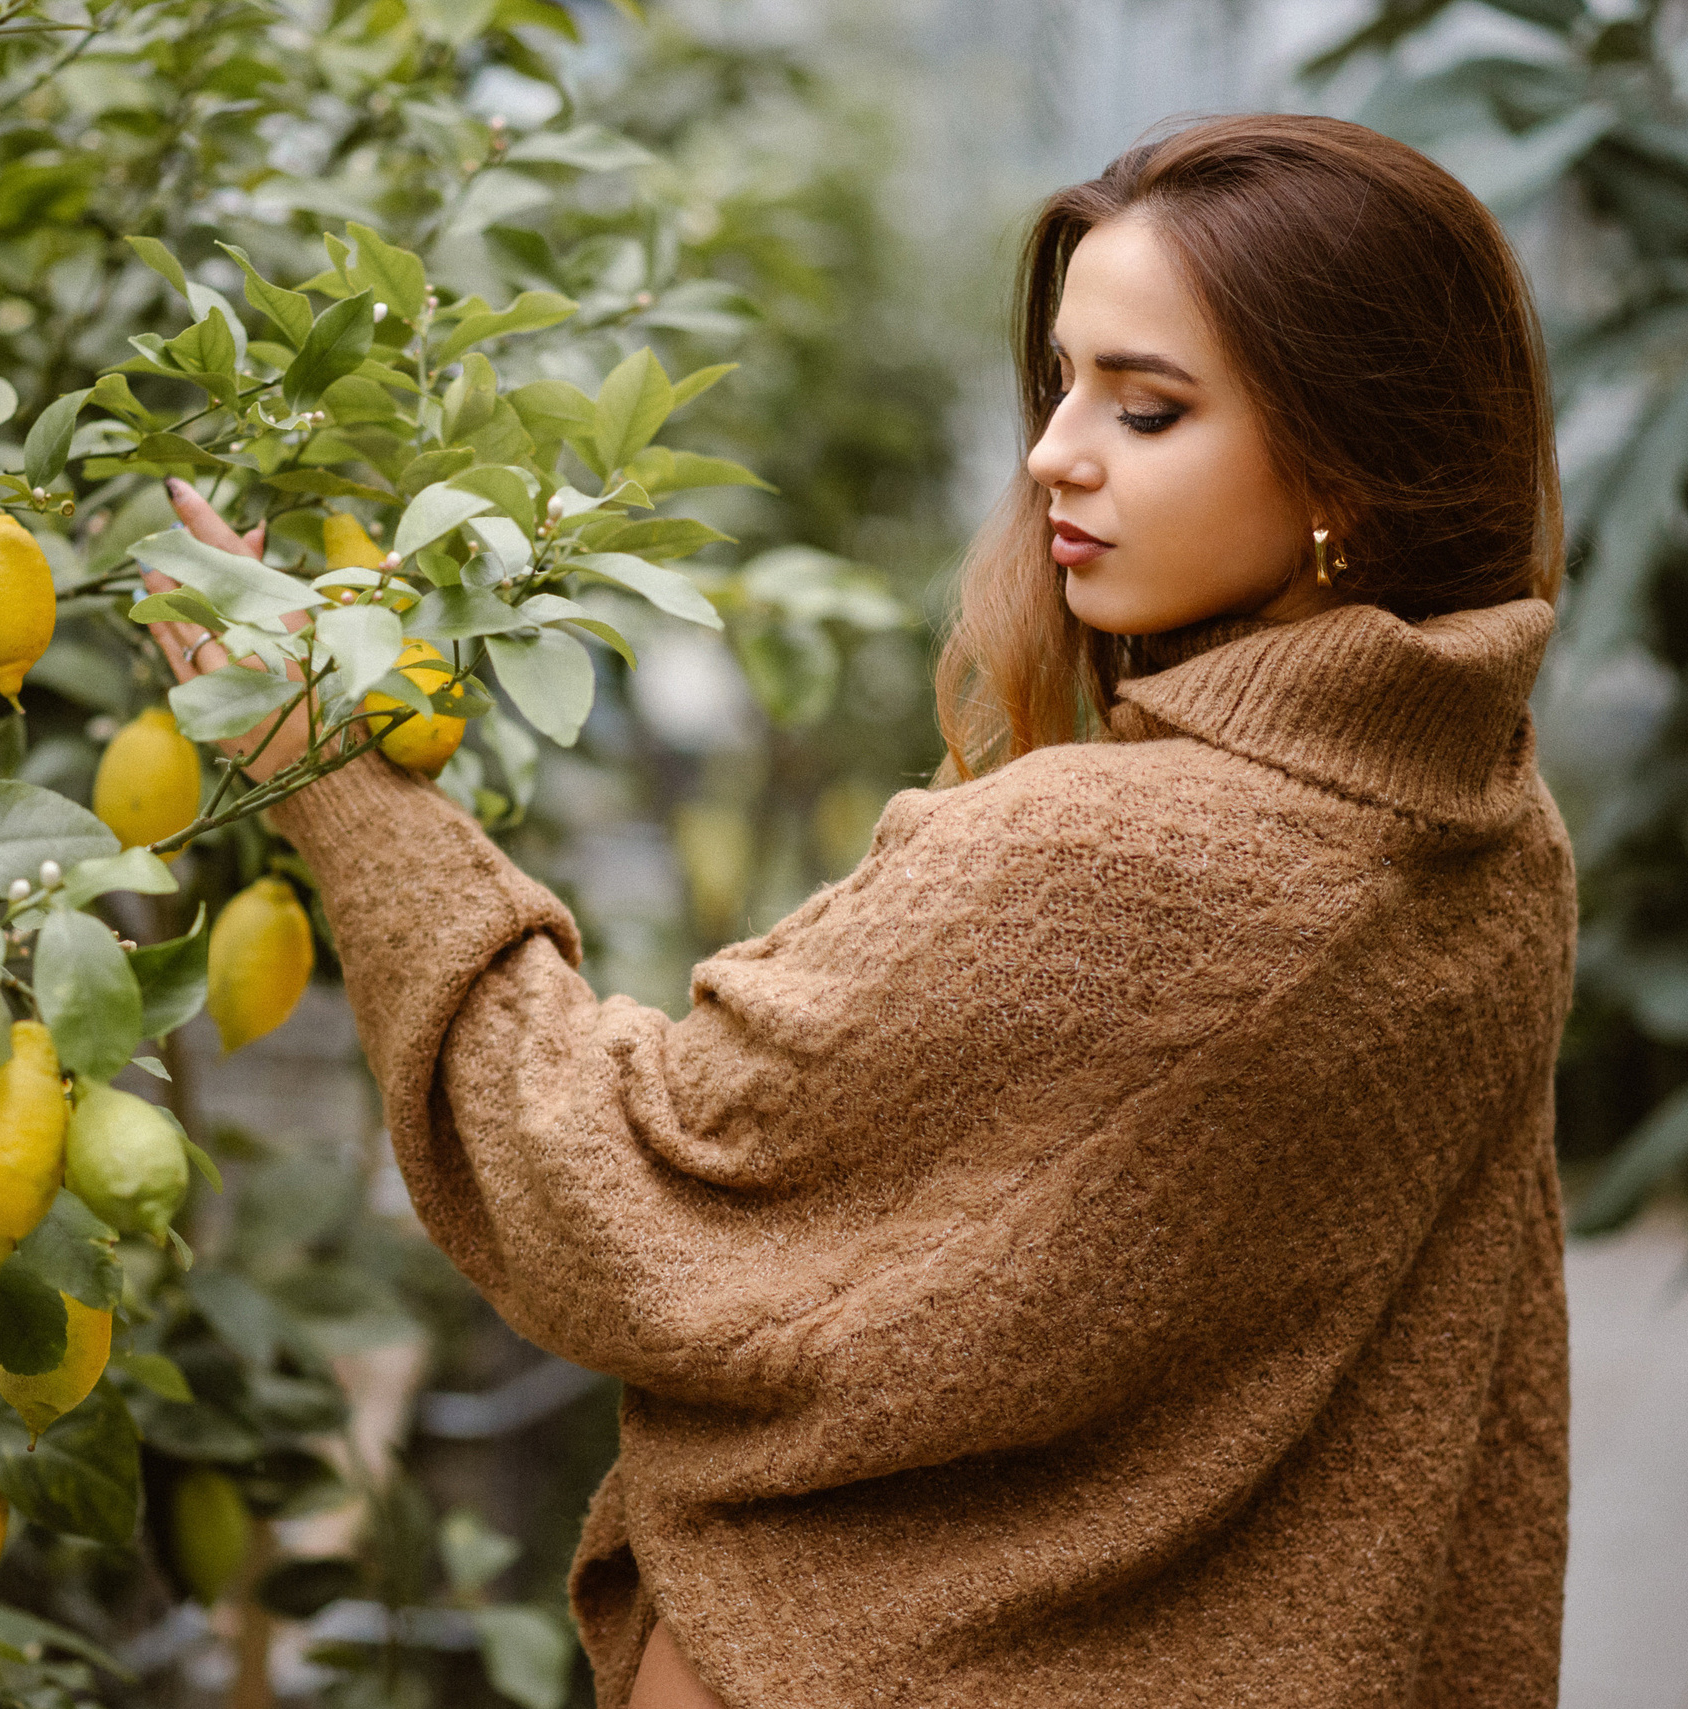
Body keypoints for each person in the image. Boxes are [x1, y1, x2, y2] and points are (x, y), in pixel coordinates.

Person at [146, 111, 1573, 1709]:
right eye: (1063, 384)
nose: (1055, 452)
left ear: (1351, 470)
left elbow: (621, 1178)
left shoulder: (1118, 862)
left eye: (1148, 406)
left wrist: (338, 779)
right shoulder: (1489, 827)